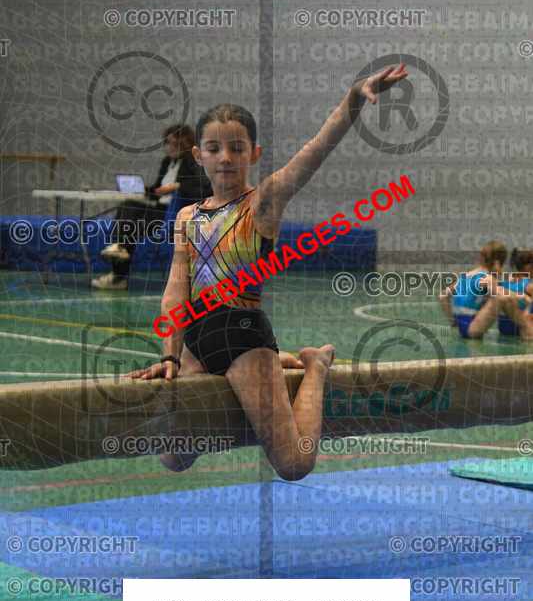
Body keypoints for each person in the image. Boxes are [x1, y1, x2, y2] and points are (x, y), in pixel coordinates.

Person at [130, 63, 409, 481]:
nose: (226, 157)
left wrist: (353, 100)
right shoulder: (187, 217)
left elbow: (316, 149)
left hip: (242, 336)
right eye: (214, 148)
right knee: (174, 457)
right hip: (196, 340)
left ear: (254, 154)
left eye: (237, 148)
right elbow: (176, 289)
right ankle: (279, 361)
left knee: (294, 463)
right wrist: (169, 354)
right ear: (198, 155)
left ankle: (315, 364)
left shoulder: (263, 202)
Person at [92, 124, 212, 290]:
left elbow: (204, 188)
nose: (168, 147)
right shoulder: (167, 162)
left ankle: (118, 273)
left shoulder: (192, 161)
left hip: (175, 214)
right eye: (166, 143)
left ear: (183, 143)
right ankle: (120, 251)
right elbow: (158, 190)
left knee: (131, 222)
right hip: (159, 208)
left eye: (172, 143)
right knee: (128, 208)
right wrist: (141, 190)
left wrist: (177, 186)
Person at [439, 240, 531, 339]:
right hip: (473, 328)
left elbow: (443, 295)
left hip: (463, 328)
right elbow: (501, 295)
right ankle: (527, 328)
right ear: (498, 262)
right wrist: (525, 298)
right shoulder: (487, 278)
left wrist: (453, 321)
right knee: (501, 299)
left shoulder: (465, 276)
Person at [497, 249, 533, 338]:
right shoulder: (529, 285)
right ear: (529, 267)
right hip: (521, 327)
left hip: (503, 326)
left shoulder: (505, 281)